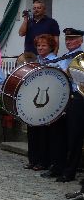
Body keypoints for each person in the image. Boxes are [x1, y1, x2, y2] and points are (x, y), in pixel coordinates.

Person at [41, 29, 83, 182]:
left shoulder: (81, 56)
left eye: (72, 39)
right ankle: (57, 166)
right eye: (67, 39)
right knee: (58, 134)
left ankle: (70, 172)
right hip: (62, 97)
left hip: (77, 98)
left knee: (74, 136)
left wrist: (69, 73)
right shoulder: (64, 57)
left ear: (80, 41)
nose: (68, 42)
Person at [23, 34, 57, 172]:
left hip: (48, 100)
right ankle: (33, 159)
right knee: (32, 131)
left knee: (43, 133)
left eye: (44, 45)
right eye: (38, 45)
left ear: (50, 47)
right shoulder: (36, 60)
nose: (40, 48)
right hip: (35, 99)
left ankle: (43, 161)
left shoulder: (55, 61)